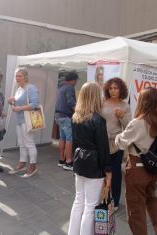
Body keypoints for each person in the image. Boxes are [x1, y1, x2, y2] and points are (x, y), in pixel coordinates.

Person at [115, 87, 157, 235]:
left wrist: (119, 135)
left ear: (143, 102)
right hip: (152, 169)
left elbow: (121, 143)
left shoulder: (137, 123)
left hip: (137, 169)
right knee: (152, 200)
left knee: (136, 211)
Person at [68, 82, 112, 235]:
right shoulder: (98, 120)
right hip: (94, 164)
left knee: (79, 201)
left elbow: (74, 143)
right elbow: (103, 148)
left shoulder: (76, 116)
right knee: (90, 206)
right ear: (95, 97)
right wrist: (108, 171)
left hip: (80, 161)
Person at [101, 77, 131, 210]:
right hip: (101, 142)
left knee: (116, 172)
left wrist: (122, 116)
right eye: (111, 88)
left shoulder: (125, 105)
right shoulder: (101, 102)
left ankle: (116, 200)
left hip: (116, 143)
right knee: (101, 171)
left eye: (116, 88)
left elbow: (129, 126)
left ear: (121, 89)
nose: (113, 91)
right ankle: (103, 197)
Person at [8, 67, 39, 178]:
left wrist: (19, 108)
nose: (17, 78)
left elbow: (35, 104)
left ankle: (33, 166)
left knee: (29, 143)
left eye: (20, 76)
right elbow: (16, 106)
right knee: (22, 143)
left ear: (25, 77)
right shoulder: (19, 89)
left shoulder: (31, 88)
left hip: (27, 120)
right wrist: (11, 102)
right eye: (16, 76)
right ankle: (22, 164)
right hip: (20, 119)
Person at [54, 71, 78, 171]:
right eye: (76, 81)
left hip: (59, 116)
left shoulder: (61, 87)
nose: (76, 83)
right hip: (66, 117)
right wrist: (78, 111)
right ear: (73, 80)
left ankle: (61, 160)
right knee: (69, 139)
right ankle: (68, 162)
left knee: (62, 138)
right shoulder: (70, 88)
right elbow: (71, 102)